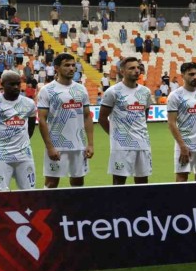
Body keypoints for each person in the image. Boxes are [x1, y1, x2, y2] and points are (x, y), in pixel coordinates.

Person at [37, 54, 94, 188]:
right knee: (51, 182)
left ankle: (76, 203)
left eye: (73, 65)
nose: (71, 68)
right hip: (57, 145)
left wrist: (90, 144)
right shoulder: (47, 90)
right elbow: (42, 119)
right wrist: (50, 147)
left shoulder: (81, 89)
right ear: (56, 68)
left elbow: (87, 116)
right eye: (67, 65)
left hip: (79, 145)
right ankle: (47, 203)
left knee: (78, 182)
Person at [98, 57, 153, 185]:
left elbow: (144, 116)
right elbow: (102, 118)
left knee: (143, 182)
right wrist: (115, 135)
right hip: (121, 146)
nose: (136, 70)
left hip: (143, 144)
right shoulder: (113, 92)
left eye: (138, 68)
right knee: (119, 182)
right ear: (122, 71)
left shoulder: (145, 92)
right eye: (132, 68)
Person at [0, 71, 37, 191]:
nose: (16, 87)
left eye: (18, 84)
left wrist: (22, 144)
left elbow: (31, 127)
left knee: (29, 193)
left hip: (24, 155)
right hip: (1, 156)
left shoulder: (29, 103)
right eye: (11, 84)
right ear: (2, 84)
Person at [167, 62, 196, 182]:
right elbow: (171, 123)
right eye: (191, 74)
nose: (195, 77)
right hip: (184, 145)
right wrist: (182, 146)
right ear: (182, 75)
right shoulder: (175, 96)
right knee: (182, 178)